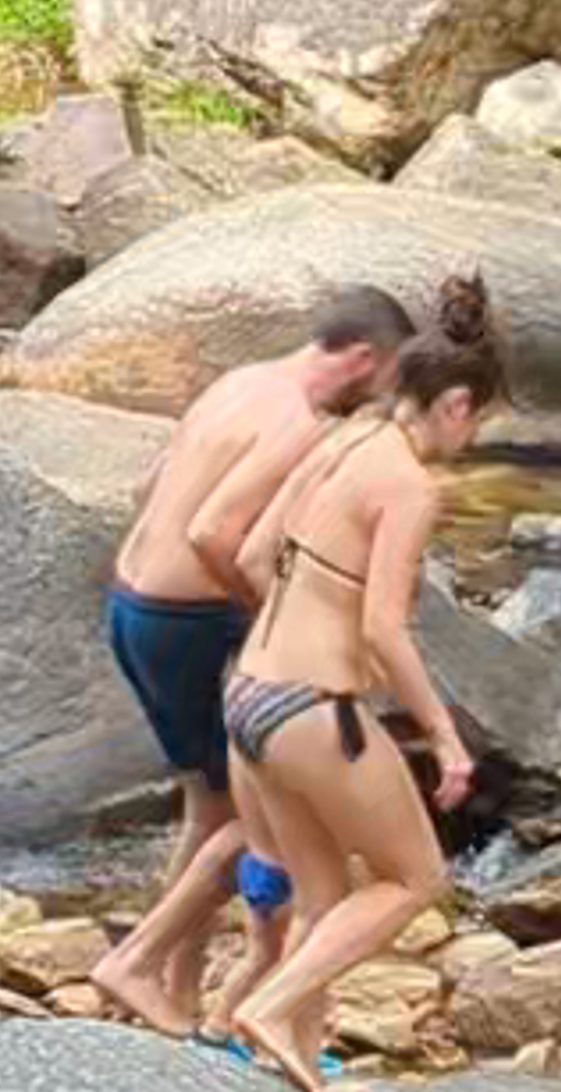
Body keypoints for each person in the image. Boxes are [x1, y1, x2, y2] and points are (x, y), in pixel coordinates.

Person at [89, 286, 419, 1030]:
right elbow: (215, 532)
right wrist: (274, 608)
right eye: (392, 373)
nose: (391, 391)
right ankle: (144, 962)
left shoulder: (238, 383)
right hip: (192, 619)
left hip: (132, 604)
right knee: (256, 813)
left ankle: (174, 986)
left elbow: (155, 485)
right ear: (363, 357)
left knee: (207, 806)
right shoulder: (298, 423)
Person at [215, 285, 502, 1092]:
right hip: (314, 706)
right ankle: (267, 1009)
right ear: (453, 402)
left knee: (325, 898)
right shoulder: (410, 483)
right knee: (414, 879)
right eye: (474, 422)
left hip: (249, 690)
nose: (470, 439)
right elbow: (383, 627)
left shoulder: (347, 438)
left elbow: (253, 552)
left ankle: (298, 1069)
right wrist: (444, 736)